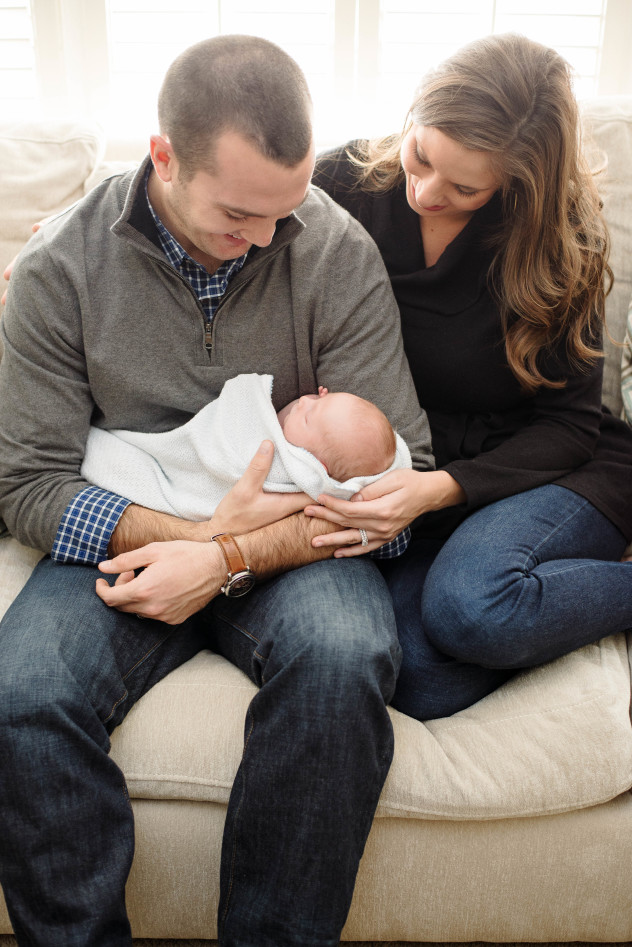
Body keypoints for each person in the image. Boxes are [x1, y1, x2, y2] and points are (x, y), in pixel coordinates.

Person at [0, 35, 434, 947]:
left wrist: (224, 554)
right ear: (164, 158)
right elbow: (27, 481)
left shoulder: (331, 247)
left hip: (289, 543)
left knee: (344, 656)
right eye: (240, 213)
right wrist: (189, 532)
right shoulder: (59, 269)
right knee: (19, 694)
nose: (272, 237)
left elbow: (400, 484)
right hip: (129, 529)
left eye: (286, 209)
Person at [310, 32, 632, 721]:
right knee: (410, 677)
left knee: (469, 607)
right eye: (421, 156)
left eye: (464, 187)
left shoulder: (558, 239)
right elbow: (216, 183)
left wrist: (437, 489)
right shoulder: (347, 183)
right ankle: (520, 599)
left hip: (551, 472)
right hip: (419, 488)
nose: (426, 190)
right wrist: (69, 229)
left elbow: (571, 425)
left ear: (518, 179)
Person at [81, 375, 410, 520]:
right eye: (322, 397)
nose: (305, 401)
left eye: (309, 418)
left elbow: (220, 466)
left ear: (316, 465)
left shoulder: (293, 472)